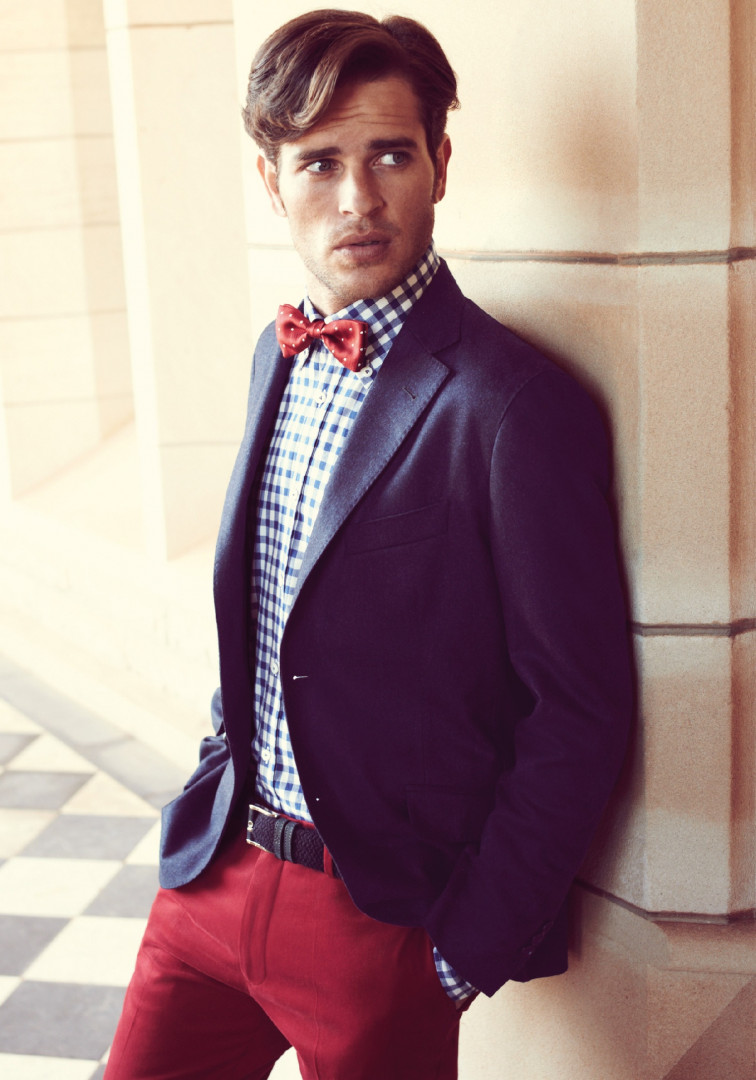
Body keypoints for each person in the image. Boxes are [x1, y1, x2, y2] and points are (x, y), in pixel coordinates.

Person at [105, 10, 633, 1079]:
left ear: (440, 162)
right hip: (213, 881)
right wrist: (215, 778)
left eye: (391, 154)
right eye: (319, 163)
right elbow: (266, 620)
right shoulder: (273, 356)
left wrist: (458, 954)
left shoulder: (511, 406)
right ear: (270, 180)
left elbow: (579, 710)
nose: (357, 198)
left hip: (376, 922)